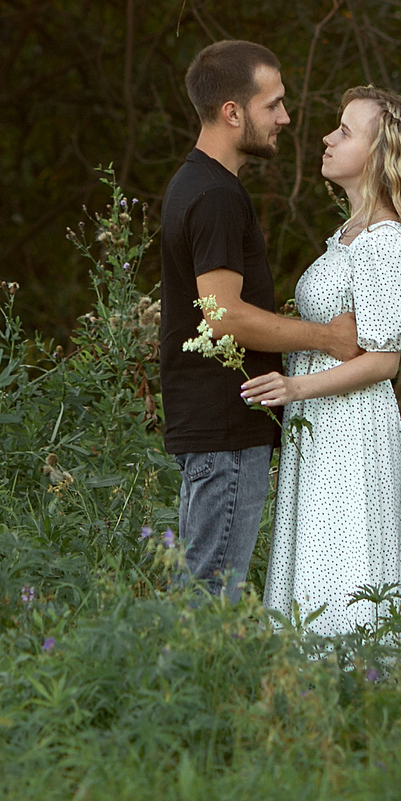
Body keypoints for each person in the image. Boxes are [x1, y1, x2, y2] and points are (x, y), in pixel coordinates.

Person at [241, 86, 401, 642]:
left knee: (341, 567)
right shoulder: (348, 236)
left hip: (351, 427)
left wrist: (295, 387)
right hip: (322, 422)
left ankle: (354, 697)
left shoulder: (384, 240)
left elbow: (384, 362)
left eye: (345, 131)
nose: (326, 137)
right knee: (316, 563)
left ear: (380, 154)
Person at [159, 40, 361, 599]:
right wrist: (329, 336)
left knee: (200, 582)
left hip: (215, 421)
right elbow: (222, 317)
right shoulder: (217, 196)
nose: (286, 118)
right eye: (272, 105)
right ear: (232, 111)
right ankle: (191, 686)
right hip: (225, 419)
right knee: (209, 593)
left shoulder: (195, 183)